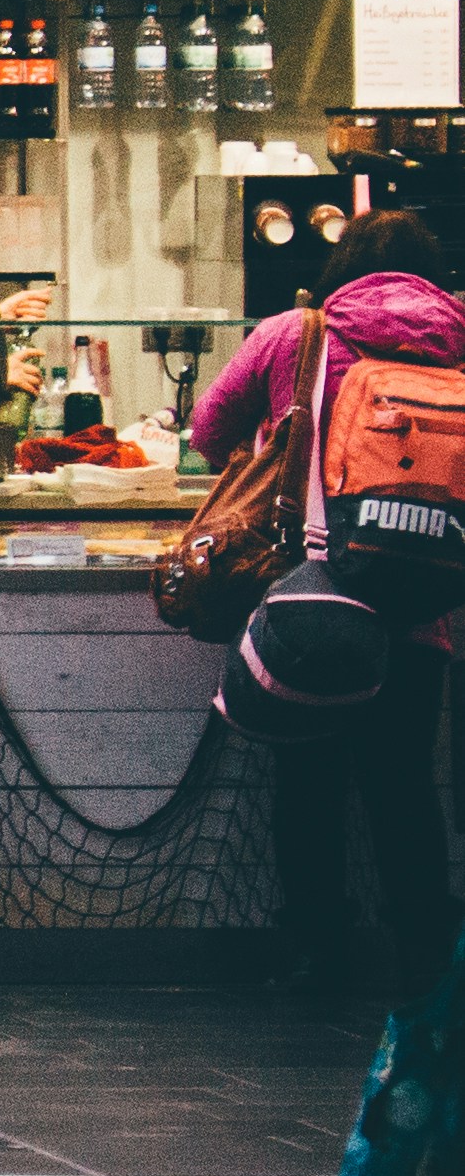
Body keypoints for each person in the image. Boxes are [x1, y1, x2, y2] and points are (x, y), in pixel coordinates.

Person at [194, 209, 465, 974]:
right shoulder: (459, 337)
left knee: (305, 776)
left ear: (341, 265)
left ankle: (314, 940)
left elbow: (206, 434)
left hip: (307, 596)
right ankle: (422, 946)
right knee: (403, 781)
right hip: (420, 602)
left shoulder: (295, 333)